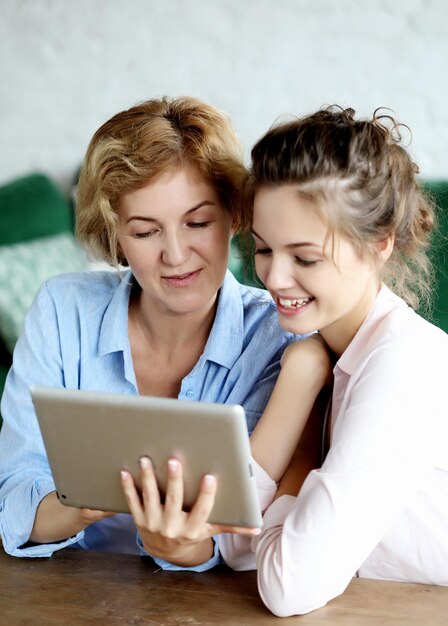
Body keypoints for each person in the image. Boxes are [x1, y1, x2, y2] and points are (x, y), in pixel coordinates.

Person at [0, 96, 298, 570]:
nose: (176, 256)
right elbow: (15, 494)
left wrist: (180, 547)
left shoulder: (277, 338)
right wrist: (80, 503)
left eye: (198, 223)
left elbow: (247, 532)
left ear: (235, 216)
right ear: (115, 237)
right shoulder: (62, 309)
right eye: (144, 232)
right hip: (65, 591)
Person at [218, 106, 448, 614]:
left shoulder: (403, 366)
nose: (273, 278)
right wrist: (300, 380)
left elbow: (287, 586)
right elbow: (233, 544)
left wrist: (297, 467)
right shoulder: (318, 352)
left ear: (380, 244)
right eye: (262, 249)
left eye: (305, 258)